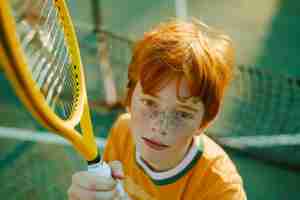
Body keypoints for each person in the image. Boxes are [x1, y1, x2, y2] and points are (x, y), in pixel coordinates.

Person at [68, 19, 247, 200]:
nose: (160, 126)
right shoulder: (123, 132)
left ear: (205, 121)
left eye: (182, 113)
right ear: (129, 97)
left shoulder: (220, 188)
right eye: (150, 103)